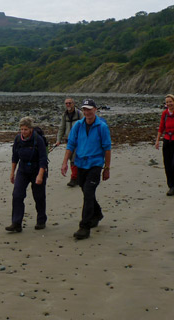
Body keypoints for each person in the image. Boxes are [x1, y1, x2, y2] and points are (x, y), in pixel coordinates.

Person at [61, 99, 111, 240]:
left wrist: (106, 168)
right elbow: (71, 144)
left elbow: (107, 148)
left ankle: (84, 227)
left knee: (88, 192)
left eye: (89, 109)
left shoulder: (101, 127)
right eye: (85, 109)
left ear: (95, 110)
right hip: (80, 163)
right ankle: (97, 213)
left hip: (95, 164)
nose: (87, 112)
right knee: (85, 190)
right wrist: (65, 162)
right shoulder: (78, 125)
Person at [6, 117, 48, 232]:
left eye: (25, 129)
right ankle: (16, 223)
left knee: (39, 196)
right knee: (17, 195)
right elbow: (14, 157)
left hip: (37, 170)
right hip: (23, 170)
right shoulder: (18, 139)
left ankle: (41, 220)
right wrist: (12, 173)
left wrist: (40, 175)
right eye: (21, 129)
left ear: (30, 129)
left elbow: (43, 159)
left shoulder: (37, 139)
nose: (23, 132)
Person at [55, 97, 84, 187]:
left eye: (70, 103)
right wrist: (58, 140)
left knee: (74, 159)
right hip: (69, 140)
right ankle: (79, 177)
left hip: (79, 140)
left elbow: (85, 125)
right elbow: (62, 128)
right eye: (66, 103)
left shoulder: (79, 114)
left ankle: (74, 178)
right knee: (71, 158)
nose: (68, 105)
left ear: (73, 103)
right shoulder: (65, 115)